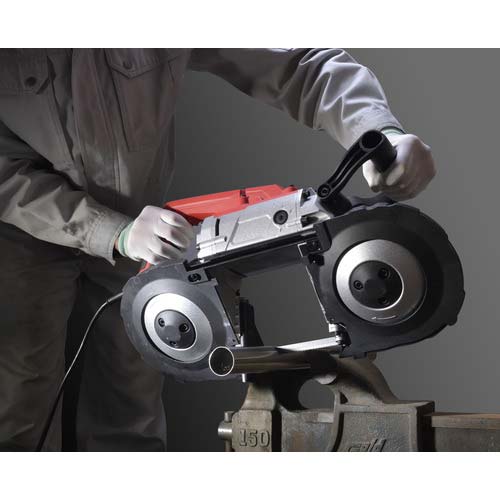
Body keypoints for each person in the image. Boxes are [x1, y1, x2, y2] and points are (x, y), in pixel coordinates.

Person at [0, 48, 435, 451]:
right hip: (25, 223)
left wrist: (380, 132)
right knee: (18, 403)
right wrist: (111, 231)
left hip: (148, 226)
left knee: (129, 404)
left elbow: (299, 63)